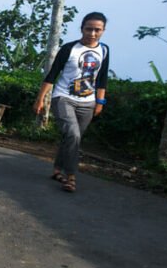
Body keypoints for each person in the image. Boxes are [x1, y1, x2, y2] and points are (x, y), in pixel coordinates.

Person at [33, 12, 110, 193]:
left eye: (97, 30)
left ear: (103, 31)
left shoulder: (104, 50)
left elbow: (103, 78)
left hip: (88, 102)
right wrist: (40, 99)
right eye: (88, 29)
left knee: (72, 138)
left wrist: (100, 102)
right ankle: (71, 177)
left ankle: (57, 170)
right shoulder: (69, 49)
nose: (92, 33)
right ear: (82, 28)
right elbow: (52, 75)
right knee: (73, 136)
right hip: (63, 97)